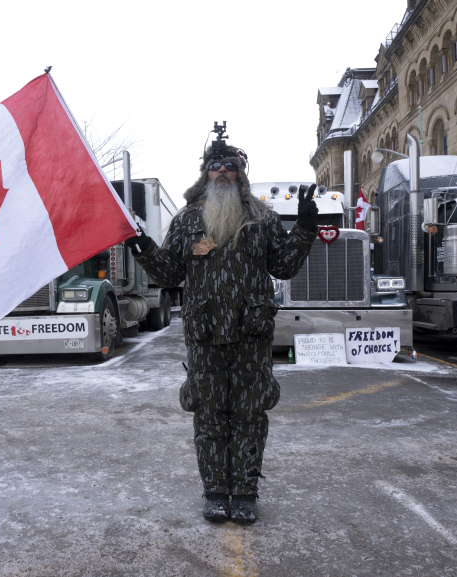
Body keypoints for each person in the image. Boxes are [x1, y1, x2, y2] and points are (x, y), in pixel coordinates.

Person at [126, 140, 319, 522]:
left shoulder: (261, 217)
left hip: (251, 334)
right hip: (205, 335)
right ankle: (215, 491)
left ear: (240, 172)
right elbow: (169, 273)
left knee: (250, 414)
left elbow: (282, 267)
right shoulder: (186, 221)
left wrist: (305, 228)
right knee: (209, 415)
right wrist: (143, 246)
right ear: (205, 172)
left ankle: (245, 492)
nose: (222, 170)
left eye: (229, 164)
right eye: (215, 164)